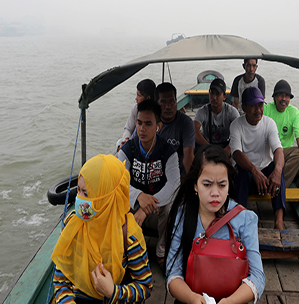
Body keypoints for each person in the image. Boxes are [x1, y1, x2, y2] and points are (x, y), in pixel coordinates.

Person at [164, 145, 265, 304]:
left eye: (222, 185)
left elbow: (258, 277)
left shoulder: (245, 219)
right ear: (195, 186)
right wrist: (192, 298)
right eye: (207, 184)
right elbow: (172, 274)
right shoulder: (181, 216)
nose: (215, 193)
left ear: (229, 185)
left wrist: (229, 302)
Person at [50, 154, 154, 303]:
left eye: (86, 193)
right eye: (78, 190)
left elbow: (144, 287)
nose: (79, 198)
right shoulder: (71, 223)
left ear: (107, 196)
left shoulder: (130, 236)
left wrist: (113, 291)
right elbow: (61, 279)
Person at [117, 99, 180, 266]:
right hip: (134, 204)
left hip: (157, 207)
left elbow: (174, 185)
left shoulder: (167, 151)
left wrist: (147, 207)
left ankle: (161, 250)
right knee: (115, 202)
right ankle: (125, 249)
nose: (142, 128)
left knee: (170, 207)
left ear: (158, 126)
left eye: (148, 123)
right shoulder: (127, 150)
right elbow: (119, 181)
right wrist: (138, 196)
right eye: (139, 123)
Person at [229, 86, 286, 230]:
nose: (258, 110)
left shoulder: (269, 123)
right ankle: (239, 220)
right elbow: (236, 152)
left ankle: (279, 221)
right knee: (240, 173)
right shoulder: (236, 125)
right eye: (253, 106)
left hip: (266, 176)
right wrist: (254, 170)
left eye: (260, 105)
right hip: (248, 175)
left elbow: (278, 149)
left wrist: (278, 171)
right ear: (244, 107)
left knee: (277, 168)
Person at [263, 79, 299, 187]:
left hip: (284, 152)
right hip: (267, 151)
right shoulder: (266, 109)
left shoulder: (294, 112)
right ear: (275, 97)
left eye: (287, 96)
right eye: (281, 95)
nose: (284, 99)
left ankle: (279, 185)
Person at [156, 82, 196, 177]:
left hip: (178, 173)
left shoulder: (186, 123)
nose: (168, 106)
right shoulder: (150, 122)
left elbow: (188, 156)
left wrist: (190, 181)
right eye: (163, 102)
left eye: (171, 101)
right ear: (156, 103)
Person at [193, 77, 240, 157]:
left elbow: (239, 132)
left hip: (226, 145)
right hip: (207, 144)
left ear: (224, 96)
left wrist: (228, 150)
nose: (214, 97)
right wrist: (209, 147)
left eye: (217, 94)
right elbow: (194, 129)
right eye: (212, 93)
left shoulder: (231, 111)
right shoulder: (202, 111)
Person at [116, 79, 157, 151]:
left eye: (139, 95)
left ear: (148, 98)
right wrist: (126, 140)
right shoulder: (135, 108)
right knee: (119, 142)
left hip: (144, 145)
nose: (136, 98)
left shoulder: (156, 113)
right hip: (132, 142)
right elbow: (128, 129)